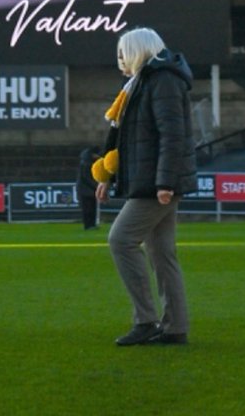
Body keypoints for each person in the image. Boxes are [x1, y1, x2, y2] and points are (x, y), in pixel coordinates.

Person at [92, 27, 196, 347]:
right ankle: (175, 327)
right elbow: (132, 139)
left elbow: (171, 135)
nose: (120, 60)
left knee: (120, 240)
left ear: (138, 51)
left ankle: (146, 321)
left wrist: (164, 182)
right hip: (155, 181)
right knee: (162, 254)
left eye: (123, 53)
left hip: (156, 183)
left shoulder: (160, 80)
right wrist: (108, 175)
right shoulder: (147, 81)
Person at [76, 147, 100, 230]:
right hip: (86, 190)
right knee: (88, 208)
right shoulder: (86, 164)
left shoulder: (86, 162)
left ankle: (91, 224)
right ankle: (88, 225)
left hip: (87, 189)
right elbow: (87, 178)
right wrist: (96, 185)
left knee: (91, 208)